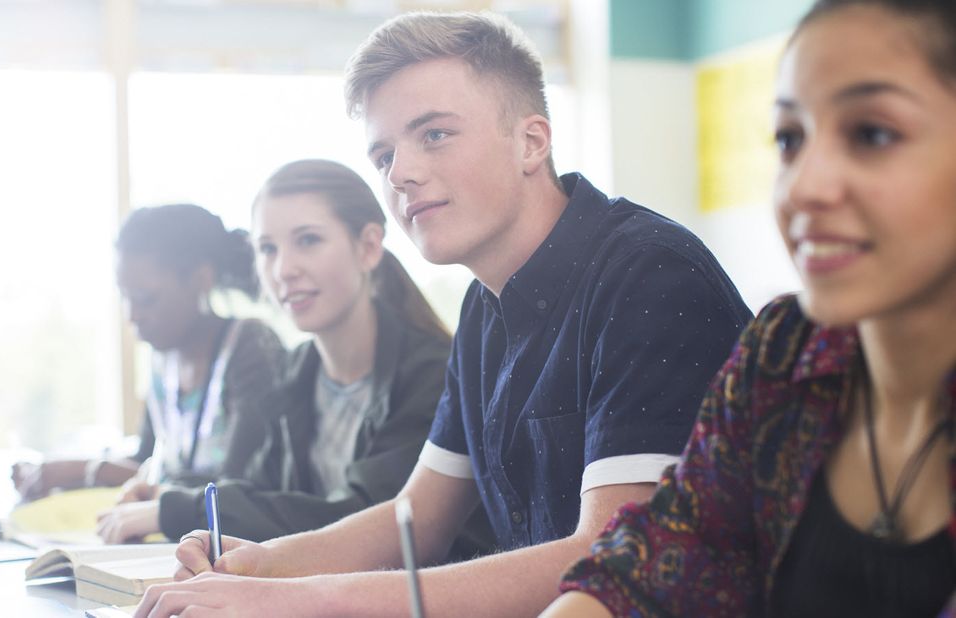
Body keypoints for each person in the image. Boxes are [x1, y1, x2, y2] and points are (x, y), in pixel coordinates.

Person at [134, 11, 751, 617]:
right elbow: (419, 518)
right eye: (383, 155)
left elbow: (609, 557)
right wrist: (264, 565)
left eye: (434, 134)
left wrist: (294, 599)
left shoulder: (649, 275)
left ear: (532, 142)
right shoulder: (485, 305)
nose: (400, 173)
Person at [544, 1, 956, 616]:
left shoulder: (650, 270)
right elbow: (679, 544)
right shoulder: (785, 352)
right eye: (790, 139)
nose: (804, 187)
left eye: (872, 134)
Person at [101, 160, 489, 551]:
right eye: (267, 249)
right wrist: (163, 494)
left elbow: (361, 519)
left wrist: (176, 509)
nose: (284, 269)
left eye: (308, 241)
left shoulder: (432, 374)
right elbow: (259, 490)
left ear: (368, 247)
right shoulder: (295, 371)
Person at [13, 204, 284, 537]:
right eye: (125, 298)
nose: (133, 315)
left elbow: (236, 484)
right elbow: (147, 462)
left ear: (201, 279)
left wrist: (89, 470)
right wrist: (64, 474)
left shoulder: (250, 347)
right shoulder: (162, 361)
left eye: (145, 298)